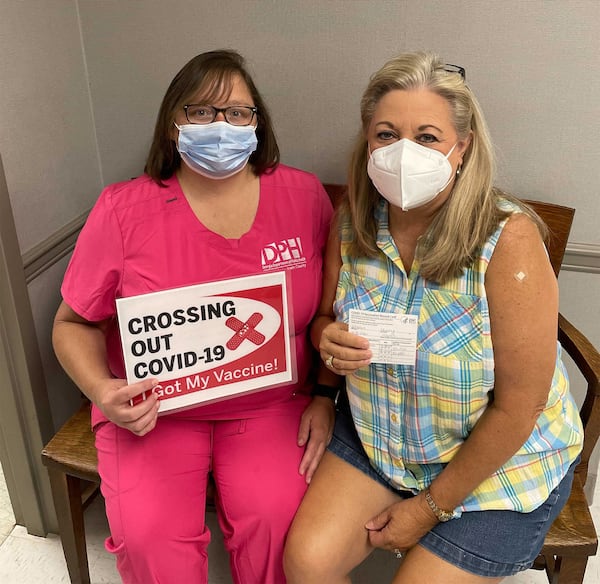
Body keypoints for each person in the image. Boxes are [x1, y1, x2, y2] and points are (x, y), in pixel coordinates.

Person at [284, 52, 583, 584]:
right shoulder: (353, 223)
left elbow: (521, 406)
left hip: (498, 460)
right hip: (381, 434)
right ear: (367, 141)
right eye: (386, 134)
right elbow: (324, 319)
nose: (403, 153)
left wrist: (426, 509)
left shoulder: (507, 241)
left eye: (426, 137)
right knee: (306, 562)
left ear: (461, 148)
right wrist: (325, 356)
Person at [52, 49, 335, 584]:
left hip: (271, 405)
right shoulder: (122, 210)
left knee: (280, 527)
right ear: (172, 125)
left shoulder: (304, 198)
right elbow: (72, 324)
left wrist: (323, 396)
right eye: (200, 112)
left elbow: (328, 313)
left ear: (258, 124)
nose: (220, 126)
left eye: (237, 113)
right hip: (154, 412)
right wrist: (100, 391)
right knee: (150, 540)